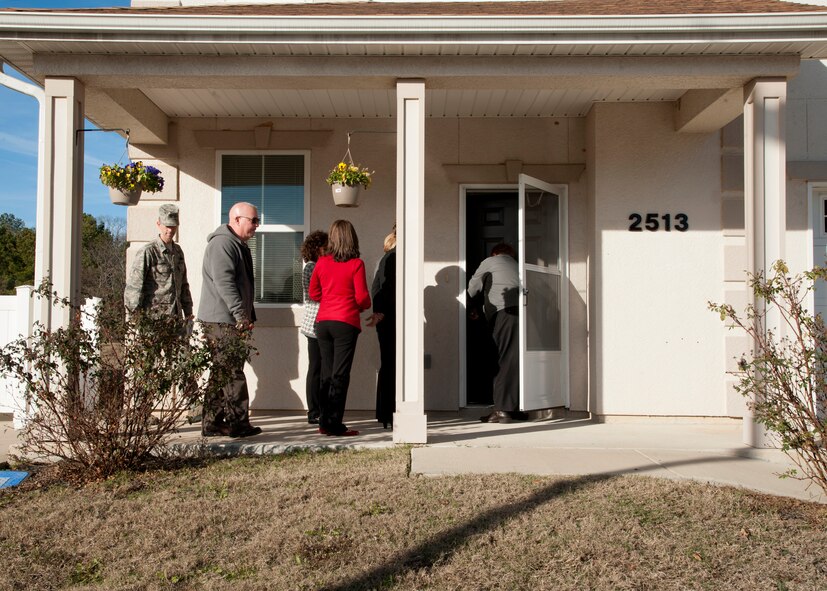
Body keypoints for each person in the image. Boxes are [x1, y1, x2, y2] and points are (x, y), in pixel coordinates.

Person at [198, 202, 262, 438]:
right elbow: (224, 283)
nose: (257, 225)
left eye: (257, 220)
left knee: (222, 372)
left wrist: (247, 315)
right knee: (232, 372)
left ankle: (212, 423)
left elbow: (243, 286)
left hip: (230, 319)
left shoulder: (238, 245)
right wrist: (241, 315)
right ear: (236, 219)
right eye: (253, 220)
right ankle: (238, 423)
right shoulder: (223, 244)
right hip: (221, 321)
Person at [309, 219, 371, 437]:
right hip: (345, 322)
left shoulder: (322, 263)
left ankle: (324, 421)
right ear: (351, 238)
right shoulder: (356, 264)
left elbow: (313, 293)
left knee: (327, 373)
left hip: (323, 322)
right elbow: (362, 297)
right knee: (340, 374)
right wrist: (363, 306)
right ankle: (334, 424)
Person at [467, 242, 526, 424]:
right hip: (522, 312)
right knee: (514, 360)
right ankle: (512, 408)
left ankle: (501, 410)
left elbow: (472, 288)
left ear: (495, 253)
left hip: (503, 313)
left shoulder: (490, 262)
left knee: (500, 360)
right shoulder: (519, 266)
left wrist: (471, 307)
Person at [124, 203, 193, 323]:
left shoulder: (178, 252)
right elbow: (134, 287)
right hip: (154, 320)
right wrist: (133, 319)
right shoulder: (148, 252)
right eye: (167, 226)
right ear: (159, 224)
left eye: (173, 226)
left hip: (176, 320)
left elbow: (183, 285)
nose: (170, 230)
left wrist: (188, 314)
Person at [366, 224, 396, 429]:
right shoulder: (391, 259)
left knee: (388, 364)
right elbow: (384, 289)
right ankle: (388, 412)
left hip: (384, 317)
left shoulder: (381, 260)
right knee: (391, 365)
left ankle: (385, 413)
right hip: (390, 318)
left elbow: (376, 289)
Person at [300, 230, 329, 425]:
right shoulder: (311, 267)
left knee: (322, 367)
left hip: (323, 321)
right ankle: (313, 411)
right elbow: (314, 295)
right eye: (325, 247)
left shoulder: (321, 266)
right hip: (314, 324)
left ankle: (321, 408)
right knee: (316, 367)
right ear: (317, 248)